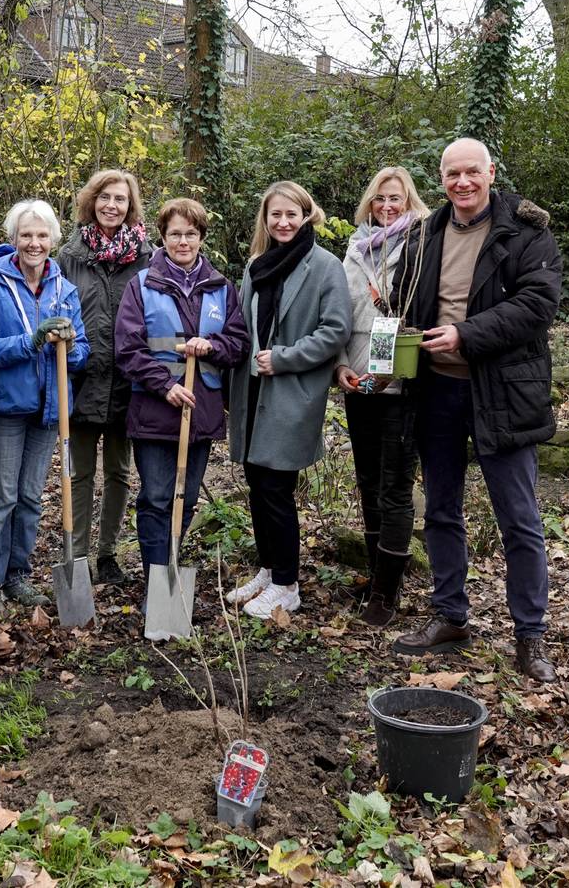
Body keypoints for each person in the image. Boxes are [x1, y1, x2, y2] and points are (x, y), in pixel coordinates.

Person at [391, 137, 562, 683]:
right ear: (441, 179)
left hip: (503, 394)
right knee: (441, 509)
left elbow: (537, 305)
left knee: (519, 518)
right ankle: (451, 617)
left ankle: (530, 636)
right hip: (436, 391)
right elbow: (405, 300)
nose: (462, 183)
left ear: (490, 172)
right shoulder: (424, 235)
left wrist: (465, 334)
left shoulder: (526, 232)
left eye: (471, 172)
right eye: (452, 174)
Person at [226, 181, 352, 618]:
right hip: (251, 390)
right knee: (256, 485)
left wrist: (284, 358)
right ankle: (268, 569)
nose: (283, 222)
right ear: (265, 218)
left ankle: (287, 585)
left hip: (289, 391)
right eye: (275, 214)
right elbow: (242, 324)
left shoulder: (325, 266)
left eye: (291, 214)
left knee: (276, 488)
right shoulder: (256, 265)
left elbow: (335, 330)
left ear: (306, 215)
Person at [114, 198, 248, 594]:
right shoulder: (141, 285)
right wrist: (165, 385)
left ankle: (171, 570)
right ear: (163, 237)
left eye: (191, 234)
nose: (183, 242)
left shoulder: (221, 287)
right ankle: (157, 585)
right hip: (155, 410)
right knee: (157, 498)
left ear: (201, 237)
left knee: (185, 500)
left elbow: (238, 342)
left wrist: (213, 346)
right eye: (175, 234)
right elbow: (128, 348)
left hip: (201, 411)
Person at [0, 200, 89, 618]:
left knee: (31, 497)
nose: (34, 243)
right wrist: (32, 341)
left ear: (53, 240)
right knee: (2, 495)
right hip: (6, 405)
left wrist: (70, 345)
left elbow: (82, 353)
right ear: (13, 239)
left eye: (41, 235)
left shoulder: (64, 289)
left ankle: (17, 574)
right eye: (26, 235)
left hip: (49, 408)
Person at [333, 167, 431, 626]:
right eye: (379, 199)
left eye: (395, 198)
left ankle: (386, 595)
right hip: (358, 381)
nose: (387, 206)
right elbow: (339, 314)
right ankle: (376, 577)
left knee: (394, 486)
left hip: (400, 385)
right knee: (368, 480)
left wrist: (389, 371)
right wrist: (340, 366)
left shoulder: (422, 245)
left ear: (409, 201)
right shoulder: (355, 250)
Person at [57, 170, 153, 584]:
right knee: (79, 473)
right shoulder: (70, 255)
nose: (112, 206)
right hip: (81, 382)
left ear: (131, 206)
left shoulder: (147, 257)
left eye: (120, 199)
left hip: (129, 384)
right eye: (104, 197)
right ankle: (76, 557)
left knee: (118, 472)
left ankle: (108, 554)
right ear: (91, 201)